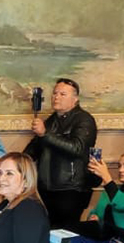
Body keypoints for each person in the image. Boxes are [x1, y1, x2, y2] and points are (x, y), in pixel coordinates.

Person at [24, 78, 98, 228]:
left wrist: (45, 134)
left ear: (75, 99)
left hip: (70, 189)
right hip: (46, 188)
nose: (56, 97)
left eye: (62, 94)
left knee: (65, 232)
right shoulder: (51, 120)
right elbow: (35, 147)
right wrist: (20, 160)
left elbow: (77, 148)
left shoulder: (84, 120)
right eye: (54, 93)